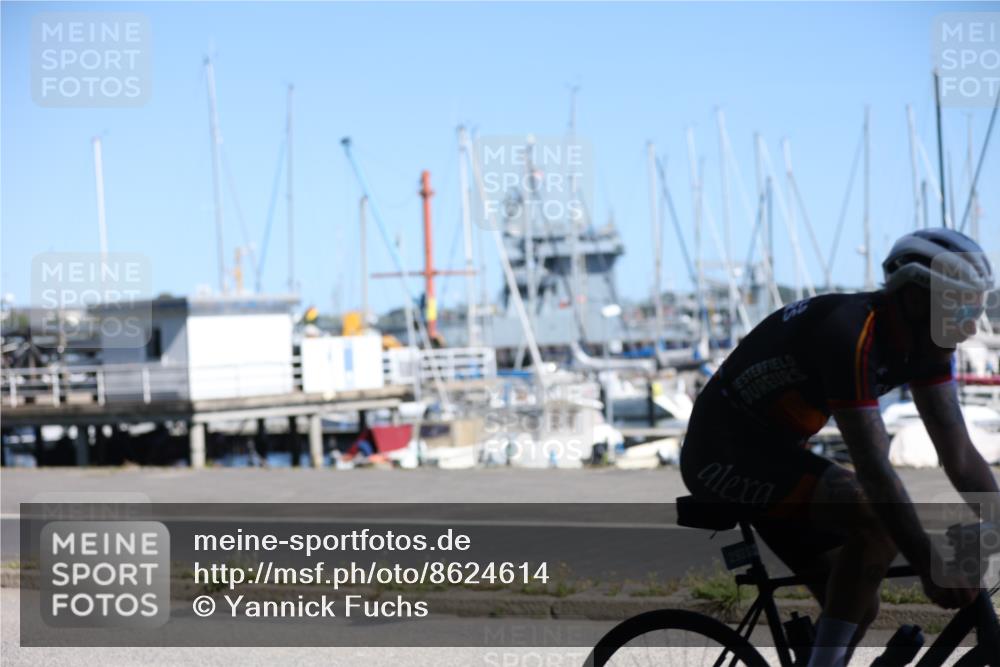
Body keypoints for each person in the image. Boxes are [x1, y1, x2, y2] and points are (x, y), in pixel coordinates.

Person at [679, 228, 999, 666]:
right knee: (876, 520)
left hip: (778, 456)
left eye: (976, 308)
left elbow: (959, 453)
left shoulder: (929, 344)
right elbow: (872, 466)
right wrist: (928, 564)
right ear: (913, 297)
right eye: (960, 308)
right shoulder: (850, 332)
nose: (968, 325)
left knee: (857, 601)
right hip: (722, 452)